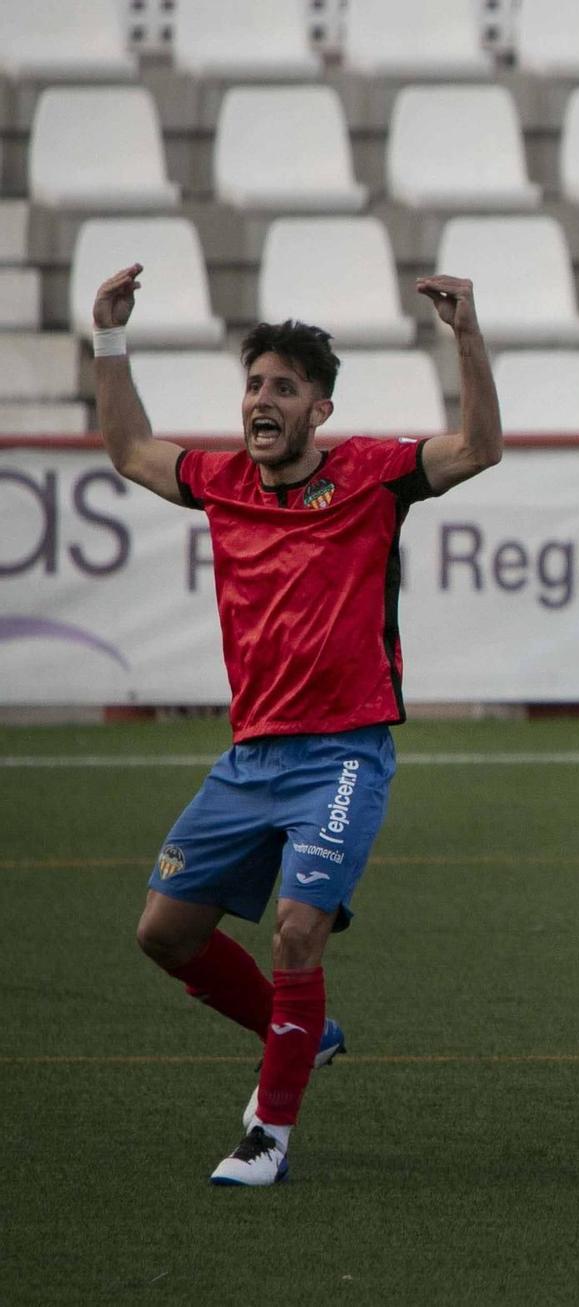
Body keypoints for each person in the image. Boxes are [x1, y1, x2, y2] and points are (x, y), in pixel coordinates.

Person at [94, 262, 502, 1185]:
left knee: (296, 932)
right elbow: (129, 452)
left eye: (284, 387)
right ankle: (306, 1033)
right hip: (248, 758)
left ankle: (267, 1135)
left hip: (345, 751)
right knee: (165, 933)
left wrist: (466, 338)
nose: (262, 400)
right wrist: (111, 339)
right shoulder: (222, 481)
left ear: (320, 409)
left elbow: (479, 447)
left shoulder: (374, 475)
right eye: (254, 384)